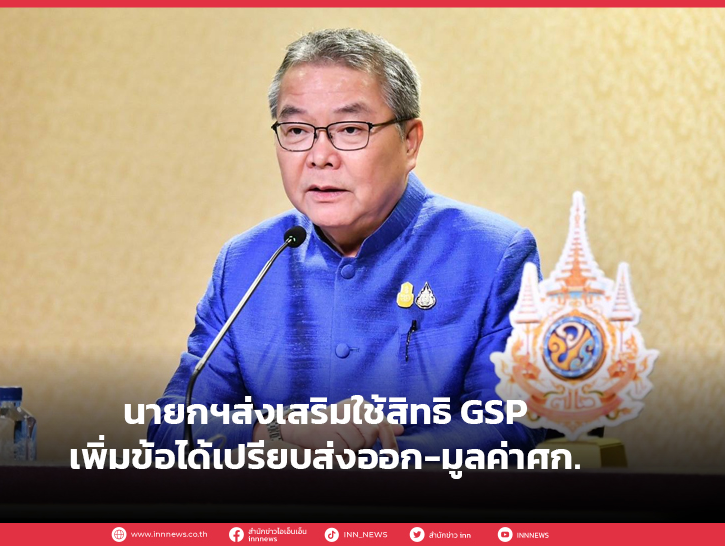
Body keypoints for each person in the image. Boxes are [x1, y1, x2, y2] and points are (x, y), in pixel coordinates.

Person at [147, 28, 544, 456]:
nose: (320, 156)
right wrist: (276, 434)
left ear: (410, 142)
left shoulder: (493, 254)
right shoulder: (246, 262)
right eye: (296, 130)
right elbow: (171, 428)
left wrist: (366, 456)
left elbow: (513, 426)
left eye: (351, 129)